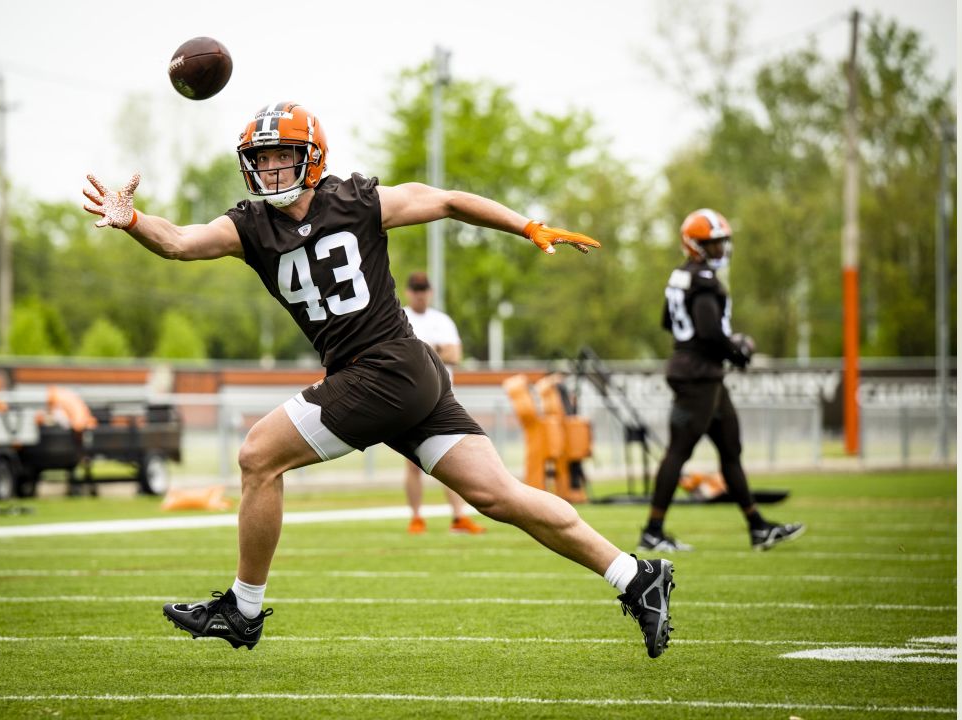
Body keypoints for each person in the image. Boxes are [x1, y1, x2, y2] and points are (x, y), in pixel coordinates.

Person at [82, 101, 675, 658]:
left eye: (279, 156)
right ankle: (634, 575)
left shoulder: (357, 199)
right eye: (258, 159)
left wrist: (527, 227)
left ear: (311, 158)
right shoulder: (251, 226)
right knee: (501, 496)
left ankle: (244, 608)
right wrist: (132, 219)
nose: (267, 169)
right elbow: (181, 242)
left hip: (385, 367)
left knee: (258, 455)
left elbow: (444, 200)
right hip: (398, 375)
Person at [639, 208, 805, 553]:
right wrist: (738, 350)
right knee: (678, 452)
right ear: (695, 245)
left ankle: (757, 527)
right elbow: (711, 332)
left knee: (730, 449)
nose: (721, 249)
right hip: (698, 377)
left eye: (722, 242)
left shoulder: (681, 276)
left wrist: (724, 349)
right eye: (713, 244)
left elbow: (668, 323)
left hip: (704, 375)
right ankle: (653, 531)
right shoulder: (704, 282)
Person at [399, 270, 484, 535]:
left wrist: (421, 348)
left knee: (452, 461)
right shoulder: (399, 315)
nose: (420, 294)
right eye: (416, 289)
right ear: (408, 291)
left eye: (423, 289)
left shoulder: (441, 320)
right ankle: (416, 516)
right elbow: (402, 354)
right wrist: (434, 349)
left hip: (442, 399)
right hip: (409, 398)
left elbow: (454, 354)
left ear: (430, 291)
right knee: (413, 463)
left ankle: (458, 516)